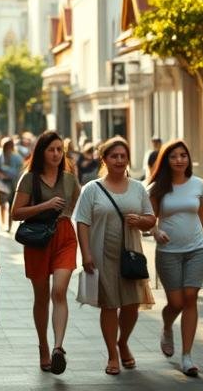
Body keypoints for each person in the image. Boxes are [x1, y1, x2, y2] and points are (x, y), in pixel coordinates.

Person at [73, 137, 156, 377]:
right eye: (114, 156)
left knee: (131, 304)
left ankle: (123, 342)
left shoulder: (138, 188)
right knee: (109, 305)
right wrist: (86, 253)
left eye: (123, 156)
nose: (119, 160)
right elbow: (82, 222)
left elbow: (151, 219)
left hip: (130, 253)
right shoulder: (92, 189)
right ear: (104, 160)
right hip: (102, 254)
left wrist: (140, 221)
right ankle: (112, 353)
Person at [148, 140, 203, 378]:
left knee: (191, 298)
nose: (180, 160)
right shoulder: (157, 188)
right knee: (177, 302)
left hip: (196, 249)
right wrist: (156, 232)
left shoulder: (198, 184)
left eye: (183, 155)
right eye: (174, 156)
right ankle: (168, 325)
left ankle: (187, 356)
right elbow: (150, 219)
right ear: (166, 161)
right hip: (168, 252)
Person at [10, 130, 80, 375]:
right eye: (51, 149)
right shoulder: (29, 179)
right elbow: (15, 213)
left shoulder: (70, 179)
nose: (57, 154)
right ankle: (43, 345)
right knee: (41, 297)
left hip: (64, 237)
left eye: (60, 149)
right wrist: (46, 205)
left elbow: (78, 206)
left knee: (59, 291)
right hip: (38, 240)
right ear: (41, 152)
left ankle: (58, 348)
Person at [0, 137, 24, 231]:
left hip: (13, 183)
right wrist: (2, 176)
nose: (9, 147)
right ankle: (3, 223)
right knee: (2, 204)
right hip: (1, 184)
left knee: (11, 205)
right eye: (7, 145)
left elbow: (20, 169)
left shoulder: (17, 156)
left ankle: (9, 227)